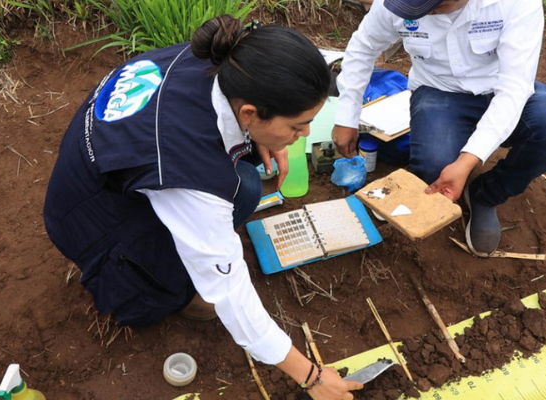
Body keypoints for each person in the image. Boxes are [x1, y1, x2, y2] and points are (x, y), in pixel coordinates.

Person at [44, 16, 362, 400]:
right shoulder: (187, 171)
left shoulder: (220, 60)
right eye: (297, 126)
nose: (306, 135)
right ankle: (157, 289)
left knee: (242, 184)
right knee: (163, 290)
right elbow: (229, 290)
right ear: (249, 112)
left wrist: (266, 134)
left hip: (105, 170)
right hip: (90, 220)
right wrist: (311, 376)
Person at [332, 0, 546, 256]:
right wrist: (347, 116)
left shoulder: (514, 4)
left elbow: (513, 91)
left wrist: (467, 160)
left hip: (500, 89)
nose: (423, 13)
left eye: (432, 6)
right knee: (433, 167)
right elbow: (363, 46)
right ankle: (440, 161)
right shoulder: (396, 3)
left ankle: (485, 195)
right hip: (439, 91)